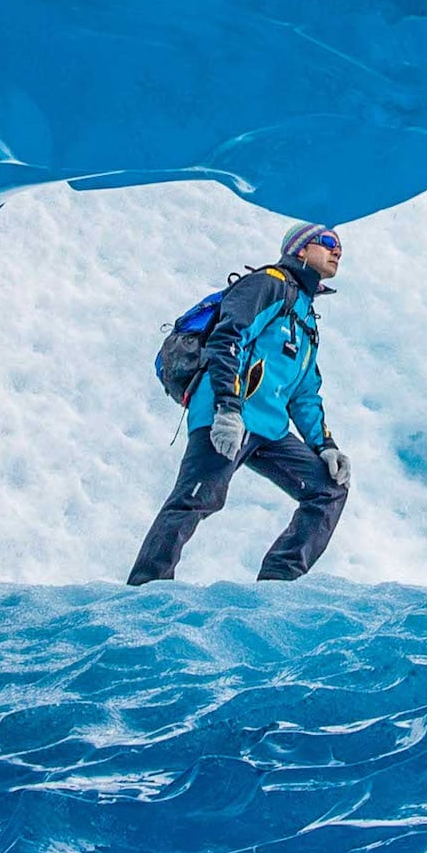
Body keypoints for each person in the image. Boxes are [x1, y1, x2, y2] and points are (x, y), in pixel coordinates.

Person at [128, 221, 350, 584]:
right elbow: (226, 339)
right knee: (196, 497)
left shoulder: (305, 314)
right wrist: (227, 410)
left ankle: (278, 582)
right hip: (227, 415)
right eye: (326, 242)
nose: (336, 250)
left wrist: (325, 446)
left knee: (328, 489)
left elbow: (305, 392)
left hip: (270, 430)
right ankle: (147, 586)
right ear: (299, 250)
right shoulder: (268, 285)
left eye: (339, 246)